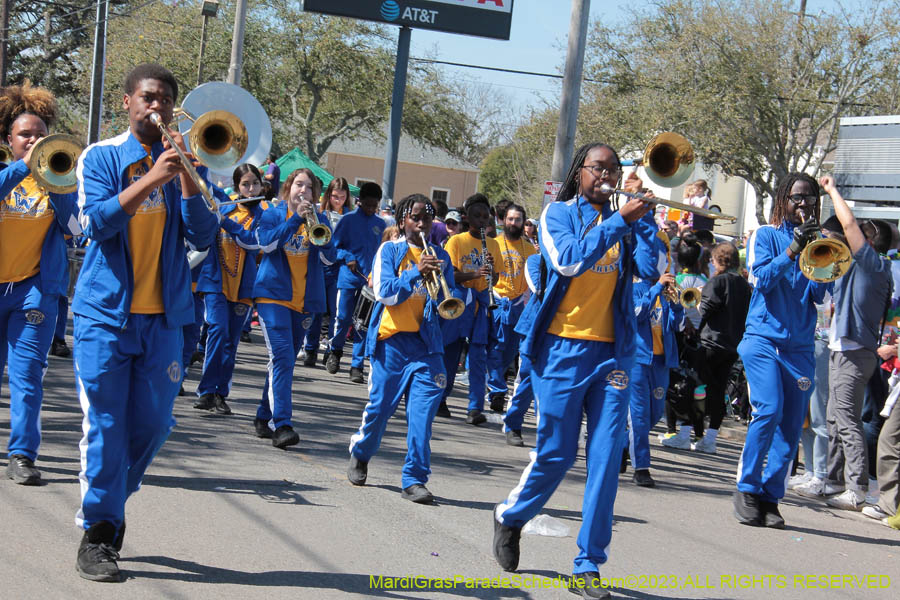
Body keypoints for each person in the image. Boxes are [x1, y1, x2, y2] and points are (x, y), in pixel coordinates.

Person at [492, 142, 658, 599]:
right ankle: (510, 516)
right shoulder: (557, 214)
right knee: (557, 454)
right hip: (561, 348)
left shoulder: (625, 219)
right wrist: (620, 222)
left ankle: (588, 564)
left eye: (613, 170)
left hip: (613, 354)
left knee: (605, 459)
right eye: (598, 168)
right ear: (579, 172)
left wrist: (643, 222)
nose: (606, 176)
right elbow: (568, 260)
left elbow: (651, 269)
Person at [72, 63, 219, 581]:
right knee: (106, 426)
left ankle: (108, 501)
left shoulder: (183, 162)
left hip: (164, 319)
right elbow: (96, 224)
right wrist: (154, 175)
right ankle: (100, 530)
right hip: (104, 316)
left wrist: (187, 183)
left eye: (165, 100)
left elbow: (205, 236)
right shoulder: (102, 156)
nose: (156, 107)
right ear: (128, 102)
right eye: (148, 98)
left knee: (155, 425)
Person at [732, 172, 829, 529]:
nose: (804, 204)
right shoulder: (765, 235)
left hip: (800, 347)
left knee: (790, 428)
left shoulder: (816, 240)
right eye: (797, 197)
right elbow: (761, 279)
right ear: (783, 199)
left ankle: (771, 496)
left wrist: (821, 259)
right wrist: (792, 250)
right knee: (769, 409)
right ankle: (746, 488)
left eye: (810, 198)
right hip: (763, 340)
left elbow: (818, 295)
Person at [347, 194, 454, 504]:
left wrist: (448, 295)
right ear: (402, 220)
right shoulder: (390, 250)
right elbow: (385, 293)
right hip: (392, 343)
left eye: (427, 217)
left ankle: (414, 479)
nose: (421, 223)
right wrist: (415, 272)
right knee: (380, 410)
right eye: (415, 217)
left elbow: (450, 298)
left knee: (422, 418)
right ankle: (361, 452)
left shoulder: (441, 256)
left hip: (427, 346)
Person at [0, 81, 81, 485]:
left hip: (34, 291)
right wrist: (23, 168)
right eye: (24, 135)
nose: (33, 141)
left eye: (40, 135)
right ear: (9, 141)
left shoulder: (58, 181)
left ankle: (22, 454)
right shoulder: (6, 175)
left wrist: (59, 186)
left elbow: (77, 230)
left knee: (28, 375)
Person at [817, 176, 894, 511]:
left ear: (869, 241)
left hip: (854, 352)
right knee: (835, 418)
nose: (852, 236)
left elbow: (847, 224)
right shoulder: (857, 267)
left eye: (860, 234)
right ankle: (833, 480)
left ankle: (857, 488)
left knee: (848, 421)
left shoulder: (874, 265)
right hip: (843, 350)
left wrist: (832, 190)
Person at [253, 168, 335, 447]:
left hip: (304, 301)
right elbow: (266, 245)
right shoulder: (273, 214)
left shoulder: (320, 219)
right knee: (283, 357)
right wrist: (294, 220)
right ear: (288, 188)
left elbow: (329, 260)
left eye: (309, 187)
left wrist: (321, 235)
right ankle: (282, 424)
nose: (303, 190)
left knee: (283, 360)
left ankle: (263, 415)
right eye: (299, 184)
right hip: (272, 296)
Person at [193, 164, 265, 414]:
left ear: (262, 186)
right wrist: (200, 163)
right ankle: (206, 391)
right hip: (215, 281)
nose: (251, 189)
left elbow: (253, 242)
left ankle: (220, 393)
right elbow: (204, 185)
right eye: (245, 184)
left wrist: (225, 223)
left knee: (231, 341)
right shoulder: (224, 204)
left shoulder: (264, 215)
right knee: (217, 330)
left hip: (244, 286)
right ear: (237, 187)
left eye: (255, 184)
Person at [628, 231, 684, 487]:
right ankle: (641, 468)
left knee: (653, 415)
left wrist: (678, 305)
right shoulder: (634, 287)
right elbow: (637, 314)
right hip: (638, 361)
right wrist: (657, 288)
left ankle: (622, 445)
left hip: (662, 362)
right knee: (639, 416)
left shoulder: (667, 291)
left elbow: (678, 327)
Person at [442, 193, 502, 425]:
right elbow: (451, 275)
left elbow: (495, 279)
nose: (481, 220)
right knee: (450, 352)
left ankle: (475, 407)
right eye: (477, 216)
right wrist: (475, 273)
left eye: (485, 217)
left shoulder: (493, 244)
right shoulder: (456, 241)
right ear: (467, 218)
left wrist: (490, 272)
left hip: (481, 305)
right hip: (460, 300)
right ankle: (440, 399)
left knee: (478, 356)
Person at [693, 242, 752, 454]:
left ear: (719, 260)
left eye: (713, 259)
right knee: (718, 391)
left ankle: (694, 433)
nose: (711, 262)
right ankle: (711, 437)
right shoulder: (744, 285)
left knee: (698, 388)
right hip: (732, 345)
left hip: (710, 342)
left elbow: (704, 310)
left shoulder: (717, 281)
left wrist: (698, 297)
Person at [325, 182, 385, 382]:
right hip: (348, 278)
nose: (370, 209)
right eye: (367, 205)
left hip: (369, 283)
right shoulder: (347, 220)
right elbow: (334, 247)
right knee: (343, 318)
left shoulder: (381, 224)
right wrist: (347, 256)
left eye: (374, 206)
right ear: (360, 201)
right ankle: (335, 351)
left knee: (362, 324)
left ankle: (356, 365)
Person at [486, 203, 537, 413]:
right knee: (496, 349)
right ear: (503, 220)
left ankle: (496, 384)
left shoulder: (530, 248)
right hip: (498, 301)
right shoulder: (494, 244)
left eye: (517, 219)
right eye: (510, 219)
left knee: (509, 352)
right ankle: (497, 391)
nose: (513, 223)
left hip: (518, 306)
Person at [300, 177, 352, 367]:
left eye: (342, 197)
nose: (338, 201)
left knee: (336, 313)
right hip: (319, 266)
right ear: (328, 195)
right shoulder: (320, 213)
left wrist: (344, 254)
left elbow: (350, 244)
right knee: (315, 310)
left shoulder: (349, 217)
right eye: (335, 196)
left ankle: (331, 351)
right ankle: (310, 349)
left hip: (339, 269)